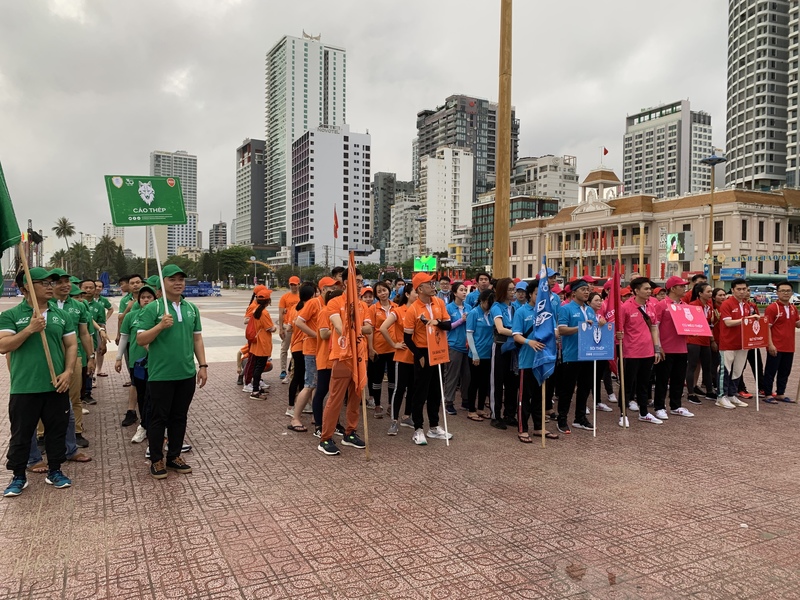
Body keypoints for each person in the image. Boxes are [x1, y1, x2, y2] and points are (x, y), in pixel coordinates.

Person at [1, 268, 77, 497]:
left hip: (56, 385)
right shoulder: (12, 315)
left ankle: (55, 471)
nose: (49, 286)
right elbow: (4, 346)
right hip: (25, 386)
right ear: (26, 287)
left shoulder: (61, 315)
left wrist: (68, 371)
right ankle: (18, 476)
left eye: (50, 283)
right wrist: (29, 329)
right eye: (42, 283)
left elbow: (71, 345)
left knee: (56, 432)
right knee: (22, 434)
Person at [136, 264, 208, 479]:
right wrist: (159, 326)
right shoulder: (153, 308)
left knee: (179, 416)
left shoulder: (191, 308)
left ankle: (174, 456)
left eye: (181, 279)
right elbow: (140, 339)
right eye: (172, 279)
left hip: (186, 373)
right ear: (163, 282)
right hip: (161, 374)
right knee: (159, 418)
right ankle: (156, 459)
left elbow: (197, 339)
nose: (178, 283)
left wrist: (202, 366)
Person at [318, 267, 370, 456]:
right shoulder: (335, 302)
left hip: (360, 357)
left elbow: (368, 329)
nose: (360, 285)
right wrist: (354, 326)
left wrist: (356, 328)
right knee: (335, 399)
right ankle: (325, 438)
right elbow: (339, 328)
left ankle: (350, 432)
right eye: (357, 281)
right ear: (346, 283)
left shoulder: (363, 306)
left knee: (356, 396)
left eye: (361, 281)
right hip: (342, 357)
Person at [403, 272, 452, 445]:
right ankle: (418, 428)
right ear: (419, 288)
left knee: (436, 390)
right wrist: (418, 355)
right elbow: (407, 338)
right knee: (420, 391)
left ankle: (434, 426)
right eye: (429, 284)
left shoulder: (439, 302)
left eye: (433, 283)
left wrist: (437, 322)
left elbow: (448, 325)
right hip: (423, 352)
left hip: (438, 349)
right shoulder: (413, 309)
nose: (433, 286)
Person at [512, 279, 558, 442]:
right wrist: (529, 342)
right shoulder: (522, 312)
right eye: (538, 294)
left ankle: (539, 427)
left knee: (541, 396)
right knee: (524, 398)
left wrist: (552, 334)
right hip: (527, 361)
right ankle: (523, 429)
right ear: (530, 294)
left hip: (543, 360)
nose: (540, 298)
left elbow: (555, 331)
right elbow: (516, 335)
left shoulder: (548, 312)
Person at [616, 277, 663, 426]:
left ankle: (644, 413)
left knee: (644, 384)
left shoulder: (651, 306)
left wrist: (656, 348)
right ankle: (623, 414)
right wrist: (619, 337)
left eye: (650, 289)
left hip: (648, 352)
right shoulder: (626, 307)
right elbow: (619, 328)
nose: (649, 291)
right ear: (636, 291)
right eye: (646, 289)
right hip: (631, 352)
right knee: (627, 384)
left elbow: (654, 328)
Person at [115, 285, 158, 443]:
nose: (146, 300)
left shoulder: (160, 316)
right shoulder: (131, 316)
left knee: (156, 396)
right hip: (138, 363)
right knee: (142, 396)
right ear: (138, 300)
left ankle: (158, 428)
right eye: (143, 297)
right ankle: (144, 426)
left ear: (155, 299)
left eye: (149, 297)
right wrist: (118, 358)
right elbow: (124, 337)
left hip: (157, 363)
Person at [556, 279, 595, 433]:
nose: (586, 292)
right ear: (573, 293)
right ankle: (562, 418)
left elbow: (594, 329)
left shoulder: (590, 310)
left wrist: (600, 325)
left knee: (585, 388)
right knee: (567, 389)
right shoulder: (566, 309)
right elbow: (562, 330)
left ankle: (580, 418)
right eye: (583, 289)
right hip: (572, 354)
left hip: (588, 354)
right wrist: (580, 327)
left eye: (587, 289)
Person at [653, 277, 695, 419]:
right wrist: (658, 346)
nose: (684, 289)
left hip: (681, 348)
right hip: (666, 349)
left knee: (679, 379)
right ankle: (659, 407)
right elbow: (655, 327)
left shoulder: (685, 305)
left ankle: (676, 406)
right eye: (681, 286)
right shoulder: (661, 305)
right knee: (662, 380)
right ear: (672, 288)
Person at [380, 283, 416, 435]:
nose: (418, 294)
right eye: (416, 292)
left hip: (417, 356)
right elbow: (383, 328)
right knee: (400, 388)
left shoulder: (420, 310)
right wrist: (394, 344)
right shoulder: (398, 311)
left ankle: (407, 416)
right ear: (407, 294)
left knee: (413, 388)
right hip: (403, 356)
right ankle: (394, 420)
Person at [762, 282, 800, 403]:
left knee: (785, 371)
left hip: (789, 345)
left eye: (788, 291)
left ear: (792, 293)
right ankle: (768, 394)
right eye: (782, 291)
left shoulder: (793, 308)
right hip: (776, 345)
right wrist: (770, 344)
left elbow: (797, 323)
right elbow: (767, 327)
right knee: (771, 371)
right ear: (777, 293)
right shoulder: (772, 308)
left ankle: (780, 393)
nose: (785, 293)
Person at [716, 278, 751, 410]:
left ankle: (731, 394)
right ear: (732, 290)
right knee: (725, 370)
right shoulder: (727, 304)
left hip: (742, 344)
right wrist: (746, 319)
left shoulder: (746, 305)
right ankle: (721, 396)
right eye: (739, 289)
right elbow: (728, 323)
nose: (742, 292)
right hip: (728, 343)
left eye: (744, 289)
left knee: (738, 370)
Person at [489, 278, 518, 430]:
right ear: (502, 291)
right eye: (510, 289)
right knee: (497, 382)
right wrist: (518, 333)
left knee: (512, 383)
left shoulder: (514, 307)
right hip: (500, 347)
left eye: (514, 289)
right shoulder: (496, 307)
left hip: (513, 348)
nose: (513, 292)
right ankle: (495, 416)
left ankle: (510, 414)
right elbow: (500, 329)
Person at [366, 281, 396, 419]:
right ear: (376, 295)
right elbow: (370, 330)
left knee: (392, 378)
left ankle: (391, 404)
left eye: (384, 290)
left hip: (394, 348)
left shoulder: (396, 307)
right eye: (379, 291)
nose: (383, 293)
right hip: (378, 348)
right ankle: (377, 405)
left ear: (389, 290)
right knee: (376, 378)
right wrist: (371, 348)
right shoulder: (373, 309)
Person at [466, 290, 495, 420]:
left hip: (488, 353)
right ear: (482, 301)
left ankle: (481, 408)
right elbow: (469, 334)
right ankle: (471, 409)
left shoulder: (491, 313)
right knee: (474, 382)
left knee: (484, 383)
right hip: (476, 353)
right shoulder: (474, 313)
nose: (490, 306)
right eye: (489, 303)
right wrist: (475, 354)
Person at [685, 283, 716, 405]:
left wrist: (712, 339)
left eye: (711, 291)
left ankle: (709, 391)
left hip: (705, 339)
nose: (710, 294)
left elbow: (710, 324)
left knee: (707, 366)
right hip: (693, 339)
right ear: (700, 293)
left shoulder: (709, 306)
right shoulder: (692, 306)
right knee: (692, 365)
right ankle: (691, 393)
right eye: (708, 291)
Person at [443, 281, 470, 415]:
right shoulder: (448, 308)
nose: (464, 292)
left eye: (465, 290)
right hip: (454, 345)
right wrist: (461, 321)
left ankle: (465, 400)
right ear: (454, 293)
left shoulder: (469, 307)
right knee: (452, 375)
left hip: (467, 346)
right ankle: (449, 402)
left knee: (467, 375)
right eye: (461, 290)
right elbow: (447, 327)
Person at [285, 284, 312, 416]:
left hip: (295, 346)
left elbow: (289, 328)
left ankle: (300, 405)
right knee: (299, 377)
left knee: (299, 377)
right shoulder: (309, 308)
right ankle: (291, 406)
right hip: (303, 346)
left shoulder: (294, 308)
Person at [247, 288, 277, 401]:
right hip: (263, 343)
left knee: (257, 366)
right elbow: (270, 328)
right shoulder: (264, 312)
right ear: (268, 301)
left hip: (257, 343)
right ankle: (255, 391)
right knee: (259, 367)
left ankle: (257, 388)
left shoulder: (256, 310)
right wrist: (275, 327)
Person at [588, 291, 614, 412]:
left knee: (597, 377)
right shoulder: (586, 315)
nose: (599, 303)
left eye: (600, 300)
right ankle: (583, 404)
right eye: (596, 300)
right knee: (587, 378)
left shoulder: (601, 317)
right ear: (589, 303)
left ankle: (597, 401)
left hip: (600, 351)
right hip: (588, 352)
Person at [278, 275, 301, 382]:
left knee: (295, 349)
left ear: (299, 285)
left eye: (295, 285)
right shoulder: (285, 297)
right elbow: (281, 313)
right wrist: (280, 328)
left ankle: (292, 369)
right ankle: (283, 370)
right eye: (291, 285)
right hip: (287, 326)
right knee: (284, 348)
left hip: (298, 326)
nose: (293, 287)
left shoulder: (301, 296)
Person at [92, 280, 114, 377]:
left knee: (100, 349)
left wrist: (105, 319)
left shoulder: (103, 300)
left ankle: (99, 370)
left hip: (100, 328)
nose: (97, 288)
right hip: (89, 328)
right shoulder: (86, 299)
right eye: (96, 286)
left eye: (100, 286)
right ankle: (91, 371)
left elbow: (111, 309)